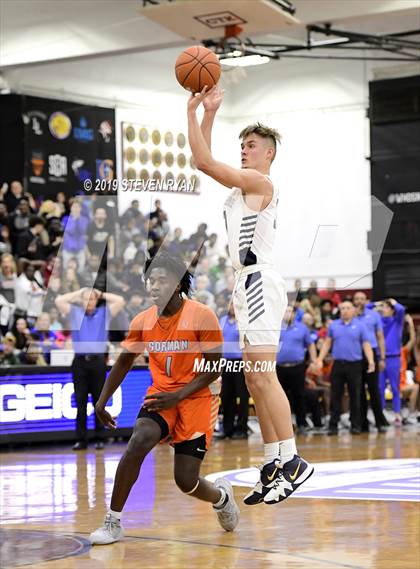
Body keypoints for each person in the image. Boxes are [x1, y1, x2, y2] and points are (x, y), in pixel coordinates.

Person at [187, 85, 313, 506]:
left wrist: (198, 111)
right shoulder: (241, 191)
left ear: (268, 154)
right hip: (247, 284)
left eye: (252, 145)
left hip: (260, 280)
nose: (244, 150)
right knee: (254, 379)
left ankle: (293, 459)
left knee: (263, 376)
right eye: (241, 145)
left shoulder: (259, 181)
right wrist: (208, 114)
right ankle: (273, 460)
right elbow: (203, 160)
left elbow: (202, 160)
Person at [89, 253, 239, 544]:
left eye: (161, 280)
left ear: (179, 283)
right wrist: (101, 400)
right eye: (150, 281)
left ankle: (221, 498)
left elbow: (214, 366)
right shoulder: (143, 320)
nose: (154, 286)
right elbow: (123, 362)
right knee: (139, 441)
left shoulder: (201, 314)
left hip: (197, 397)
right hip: (161, 395)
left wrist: (179, 395)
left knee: (185, 481)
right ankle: (113, 521)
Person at [55, 287, 125, 450]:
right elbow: (59, 300)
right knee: (80, 402)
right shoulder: (75, 312)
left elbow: (120, 300)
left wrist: (100, 294)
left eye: (92, 299)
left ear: (97, 300)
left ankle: (100, 438)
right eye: (85, 299)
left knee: (99, 401)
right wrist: (80, 293)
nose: (88, 302)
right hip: (79, 363)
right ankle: (81, 439)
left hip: (98, 362)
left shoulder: (104, 312)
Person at [316, 300, 375, 435]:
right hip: (338, 365)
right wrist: (319, 359)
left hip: (355, 365)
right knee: (335, 395)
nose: (345, 310)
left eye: (348, 308)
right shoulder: (334, 326)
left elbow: (366, 345)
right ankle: (333, 425)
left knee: (355, 395)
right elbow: (327, 343)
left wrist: (371, 360)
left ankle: (355, 425)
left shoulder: (360, 326)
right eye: (342, 308)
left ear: (353, 310)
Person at [276, 306, 317, 434]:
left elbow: (310, 344)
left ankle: (302, 424)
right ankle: (282, 427)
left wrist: (314, 361)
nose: (288, 314)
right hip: (279, 367)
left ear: (294, 314)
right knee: (280, 398)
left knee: (299, 395)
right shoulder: (275, 328)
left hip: (297, 367)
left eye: (290, 311)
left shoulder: (302, 328)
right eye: (285, 311)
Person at [353, 291, 387, 432]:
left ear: (366, 301)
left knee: (374, 389)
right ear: (354, 301)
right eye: (357, 299)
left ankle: (380, 422)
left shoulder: (374, 315)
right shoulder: (350, 315)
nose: (360, 301)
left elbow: (380, 337)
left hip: (371, 353)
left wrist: (382, 357)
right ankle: (362, 423)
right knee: (358, 390)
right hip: (355, 354)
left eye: (362, 299)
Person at [216, 303, 249, 439]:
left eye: (235, 305)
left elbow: (247, 342)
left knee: (242, 396)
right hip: (225, 363)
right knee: (226, 396)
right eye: (230, 305)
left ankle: (242, 428)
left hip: (240, 362)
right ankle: (227, 428)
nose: (232, 307)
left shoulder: (243, 321)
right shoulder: (222, 320)